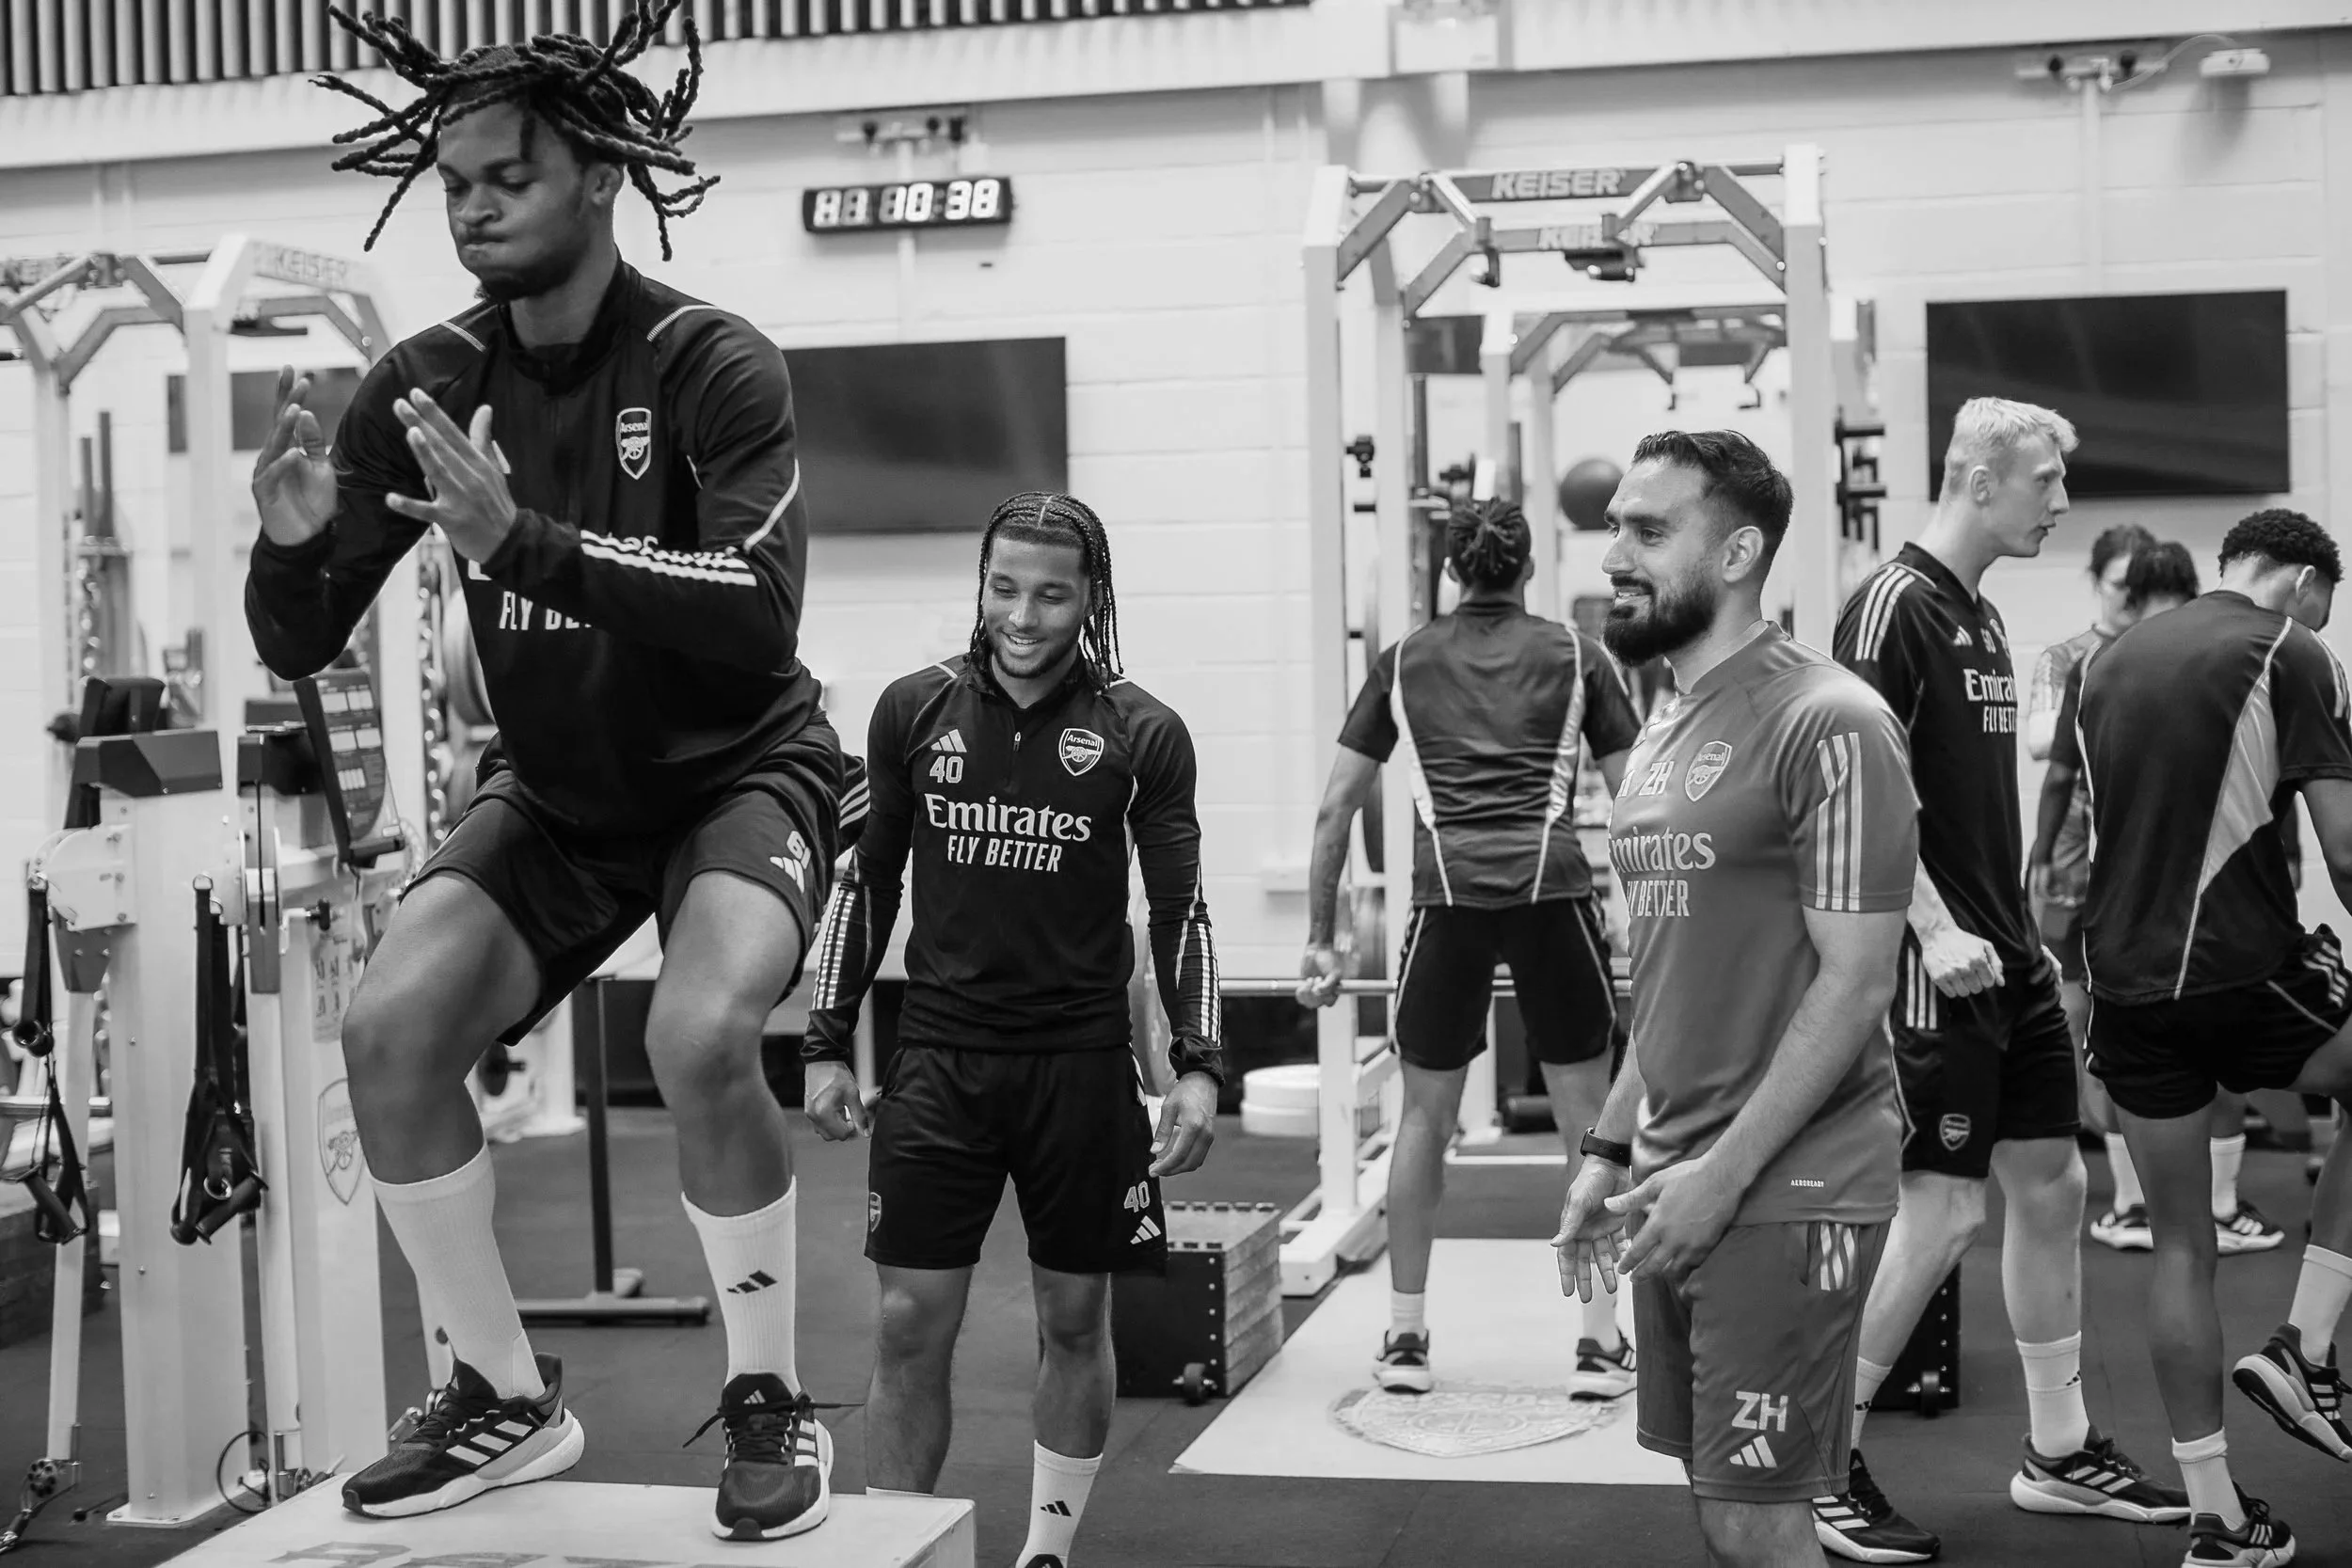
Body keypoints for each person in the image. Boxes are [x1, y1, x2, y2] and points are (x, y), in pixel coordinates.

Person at [246, 0, 843, 1537]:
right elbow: (304, 640)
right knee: (386, 1031)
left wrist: (531, 547)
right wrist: (296, 545)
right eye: (453, 184)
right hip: (562, 796)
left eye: (508, 174)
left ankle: (770, 1402)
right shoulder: (427, 383)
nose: (474, 205)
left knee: (704, 1034)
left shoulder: (714, 361)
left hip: (735, 770)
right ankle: (502, 1393)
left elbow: (756, 611)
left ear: (596, 175)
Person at [801, 492, 1223, 1568]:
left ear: (1091, 597)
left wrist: (1199, 1064)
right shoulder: (912, 710)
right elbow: (868, 884)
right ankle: (899, 1546)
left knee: (1074, 1321)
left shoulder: (1141, 730)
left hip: (1078, 1070)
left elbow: (1182, 912)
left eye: (1050, 592)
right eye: (1004, 587)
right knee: (906, 1322)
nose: (1023, 615)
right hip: (937, 1060)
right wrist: (822, 1038)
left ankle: (1048, 1549)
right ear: (979, 584)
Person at [1821, 398, 2186, 1562]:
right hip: (1943, 960)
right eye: (2042, 481)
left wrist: (2012, 935)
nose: (2060, 503)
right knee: (1944, 1210)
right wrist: (1929, 932)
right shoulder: (1888, 605)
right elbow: (1849, 789)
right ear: (1978, 479)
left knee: (2054, 1185)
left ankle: (2059, 1447)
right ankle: (1815, 1459)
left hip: (2010, 951)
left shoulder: (1979, 613)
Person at [1551, 430, 1913, 1568]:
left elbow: (1857, 982)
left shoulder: (1829, 717)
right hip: (1677, 1172)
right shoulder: (1660, 723)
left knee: (1762, 1527)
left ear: (1741, 549)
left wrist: (1721, 1175)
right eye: (1614, 525)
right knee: (1724, 1512)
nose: (1614, 551)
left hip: (1785, 1179)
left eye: (1648, 531)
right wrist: (1608, 1149)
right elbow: (1673, 974)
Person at [1299, 497, 1643, 1399]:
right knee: (1591, 1126)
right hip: (1554, 894)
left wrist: (1319, 942)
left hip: (1445, 902)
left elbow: (1335, 808)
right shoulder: (1579, 652)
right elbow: (1643, 802)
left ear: (1453, 570)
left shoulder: (1402, 660)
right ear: (1527, 569)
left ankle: (1405, 1338)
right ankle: (1600, 1344)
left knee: (1423, 1122)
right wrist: (1661, 927)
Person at [2076, 509, 2352, 1568]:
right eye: (2324, 600)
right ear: (2296, 577)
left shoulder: (2108, 662)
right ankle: (2306, 1344)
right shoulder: (2291, 647)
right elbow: (2342, 847)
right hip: (2236, 966)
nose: (2325, 620)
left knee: (2179, 1241)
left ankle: (2218, 1518)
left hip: (2126, 987)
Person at [2035, 545, 2286, 1259]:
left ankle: (2134, 1202)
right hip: (2208, 887)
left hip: (2112, 886)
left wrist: (2037, 855)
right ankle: (2221, 1203)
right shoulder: (2232, 655)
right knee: (2224, 1033)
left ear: (2132, 591)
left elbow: (2057, 777)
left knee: (2116, 1039)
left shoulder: (2097, 664)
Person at [2023, 523, 2153, 1236]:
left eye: (2142, 586)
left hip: (2140, 863)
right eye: (2118, 585)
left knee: (2140, 1020)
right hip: (2074, 861)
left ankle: (2149, 1193)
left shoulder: (2164, 648)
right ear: (2097, 582)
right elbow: (2044, 738)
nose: (2131, 598)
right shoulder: (2068, 656)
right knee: (2078, 1024)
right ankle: (2120, 1188)